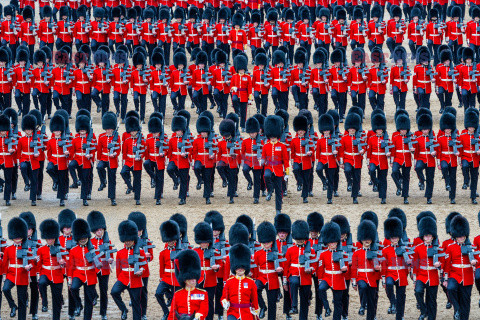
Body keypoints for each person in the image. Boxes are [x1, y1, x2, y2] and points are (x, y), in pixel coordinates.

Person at [111, 220, 146, 320]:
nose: (128, 242)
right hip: (123, 278)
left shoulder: (140, 252)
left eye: (129, 240)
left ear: (133, 239)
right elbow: (118, 268)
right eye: (126, 240)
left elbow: (144, 265)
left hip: (135, 279)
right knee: (114, 292)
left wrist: (141, 271)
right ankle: (124, 309)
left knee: (136, 304)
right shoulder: (120, 252)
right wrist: (119, 280)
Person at [444, 215, 476, 320]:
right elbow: (447, 264)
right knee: (450, 288)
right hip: (455, 274)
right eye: (459, 236)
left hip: (467, 276)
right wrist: (445, 278)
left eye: (463, 236)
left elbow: (478, 260)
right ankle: (456, 308)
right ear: (455, 236)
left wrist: (475, 262)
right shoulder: (451, 247)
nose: (461, 238)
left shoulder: (471, 247)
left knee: (466, 301)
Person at [284, 220, 316, 320]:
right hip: (293, 274)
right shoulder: (290, 249)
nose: (299, 241)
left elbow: (314, 264)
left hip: (306, 277)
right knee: (293, 282)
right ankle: (294, 306)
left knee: (304, 302)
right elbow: (286, 265)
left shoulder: (311, 250)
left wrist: (311, 269)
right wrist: (285, 280)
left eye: (301, 239)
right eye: (298, 239)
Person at [351, 220, 381, 320]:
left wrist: (379, 269)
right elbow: (354, 268)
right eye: (365, 238)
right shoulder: (357, 253)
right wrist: (354, 281)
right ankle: (363, 305)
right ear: (361, 239)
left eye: (368, 238)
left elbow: (380, 266)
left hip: (372, 278)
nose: (367, 240)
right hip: (361, 277)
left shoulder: (375, 252)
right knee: (363, 287)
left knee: (372, 301)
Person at [317, 221, 348, 320]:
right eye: (330, 242)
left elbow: (347, 268)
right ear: (327, 243)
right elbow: (321, 268)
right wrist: (320, 279)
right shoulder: (323, 254)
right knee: (321, 289)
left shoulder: (343, 253)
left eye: (334, 242)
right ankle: (327, 308)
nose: (332, 244)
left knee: (338, 303)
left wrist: (344, 270)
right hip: (327, 277)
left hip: (339, 279)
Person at [68, 219, 98, 320]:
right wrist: (69, 279)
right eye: (81, 238)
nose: (83, 239)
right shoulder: (73, 250)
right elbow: (71, 266)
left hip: (90, 274)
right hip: (78, 274)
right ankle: (79, 304)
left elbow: (98, 262)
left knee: (89, 300)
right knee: (73, 288)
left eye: (84, 237)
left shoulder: (92, 248)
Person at [412, 216, 441, 320]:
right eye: (426, 236)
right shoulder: (418, 248)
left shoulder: (437, 248)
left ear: (433, 237)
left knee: (432, 300)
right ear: (423, 237)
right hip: (421, 275)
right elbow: (415, 264)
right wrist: (414, 278)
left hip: (433, 276)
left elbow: (443, 261)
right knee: (418, 292)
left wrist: (439, 264)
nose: (428, 238)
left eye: (429, 236)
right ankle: (424, 311)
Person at [87, 211, 114, 320]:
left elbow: (111, 255)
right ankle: (94, 297)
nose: (99, 232)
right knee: (91, 288)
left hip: (104, 269)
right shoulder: (90, 241)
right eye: (97, 230)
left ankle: (103, 313)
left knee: (104, 291)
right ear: (94, 231)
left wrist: (111, 260)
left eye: (101, 230)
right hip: (94, 269)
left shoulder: (107, 241)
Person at [221, 243, 259, 320]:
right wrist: (224, 302)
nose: (240, 269)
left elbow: (254, 298)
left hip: (247, 313)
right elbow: (224, 297)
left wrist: (255, 310)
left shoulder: (251, 282)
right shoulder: (229, 282)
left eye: (242, 267)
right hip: (233, 312)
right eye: (238, 267)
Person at [252, 222, 282, 320]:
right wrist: (255, 278)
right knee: (255, 290)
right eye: (264, 243)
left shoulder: (277, 253)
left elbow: (282, 267)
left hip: (273, 278)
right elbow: (256, 268)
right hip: (261, 277)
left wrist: (280, 270)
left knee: (272, 303)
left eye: (268, 242)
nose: (266, 245)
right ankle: (263, 306)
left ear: (272, 242)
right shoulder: (258, 254)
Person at [37, 219, 66, 320]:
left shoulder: (61, 249)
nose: (50, 240)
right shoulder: (41, 249)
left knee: (56, 300)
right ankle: (44, 301)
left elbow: (67, 264)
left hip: (57, 275)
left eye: (51, 238)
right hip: (45, 273)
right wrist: (39, 274)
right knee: (41, 283)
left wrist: (63, 263)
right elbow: (39, 264)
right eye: (48, 238)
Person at [169, 249, 209, 320]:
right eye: (191, 278)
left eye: (195, 278)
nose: (194, 280)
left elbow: (204, 310)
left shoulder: (203, 293)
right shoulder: (177, 294)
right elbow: (172, 313)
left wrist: (197, 317)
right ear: (185, 280)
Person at [381, 217, 409, 320]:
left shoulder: (403, 248)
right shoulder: (385, 250)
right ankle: (393, 302)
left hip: (401, 274)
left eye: (396, 238)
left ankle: (400, 316)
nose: (394, 240)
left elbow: (409, 263)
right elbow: (383, 264)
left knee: (401, 296)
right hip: (390, 273)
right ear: (389, 238)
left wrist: (409, 264)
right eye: (392, 238)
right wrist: (383, 277)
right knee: (388, 285)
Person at [3, 217, 30, 320]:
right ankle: (13, 306)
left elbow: (31, 262)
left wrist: (29, 267)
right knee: (5, 289)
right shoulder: (8, 249)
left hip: (22, 275)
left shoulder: (26, 248)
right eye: (16, 237)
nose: (18, 239)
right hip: (11, 274)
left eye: (19, 237)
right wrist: (5, 275)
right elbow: (5, 263)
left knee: (22, 300)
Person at [262, 115, 290, 214]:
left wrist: (287, 173)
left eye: (274, 136)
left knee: (279, 191)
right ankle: (269, 190)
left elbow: (286, 160)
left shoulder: (282, 146)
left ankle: (278, 209)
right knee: (266, 176)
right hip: (269, 167)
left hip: (278, 169)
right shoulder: (266, 146)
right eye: (271, 136)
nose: (273, 138)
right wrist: (262, 160)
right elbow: (263, 157)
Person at [193, 222, 220, 320]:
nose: (204, 244)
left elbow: (220, 263)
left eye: (206, 242)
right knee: (197, 301)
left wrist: (217, 267)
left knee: (209, 302)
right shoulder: (195, 251)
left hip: (210, 281)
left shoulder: (214, 251)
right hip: (199, 280)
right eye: (202, 242)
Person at [156, 220, 182, 320]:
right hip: (166, 278)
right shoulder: (163, 253)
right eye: (169, 240)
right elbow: (161, 267)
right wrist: (161, 277)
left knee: (177, 300)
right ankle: (166, 312)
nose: (171, 242)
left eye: (172, 240)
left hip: (177, 279)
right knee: (158, 293)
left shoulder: (180, 250)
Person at [46, 114, 71, 206]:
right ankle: (55, 180)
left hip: (62, 161)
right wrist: (50, 161)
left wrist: (67, 154)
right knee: (49, 169)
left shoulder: (66, 140)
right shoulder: (50, 141)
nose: (57, 132)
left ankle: (61, 199)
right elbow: (49, 152)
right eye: (55, 131)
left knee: (62, 179)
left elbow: (70, 151)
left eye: (58, 131)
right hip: (53, 160)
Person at [70, 115, 95, 206]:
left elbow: (94, 149)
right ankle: (76, 181)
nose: (82, 132)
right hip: (77, 159)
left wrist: (91, 155)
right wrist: (69, 158)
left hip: (86, 161)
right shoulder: (75, 139)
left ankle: (84, 199)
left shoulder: (90, 138)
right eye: (81, 130)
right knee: (71, 165)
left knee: (85, 180)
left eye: (84, 130)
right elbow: (72, 151)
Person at [166, 115, 191, 205]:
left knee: (184, 180)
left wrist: (186, 154)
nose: (178, 132)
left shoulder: (187, 139)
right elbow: (170, 151)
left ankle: (182, 198)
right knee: (169, 169)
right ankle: (176, 180)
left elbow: (191, 150)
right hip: (174, 159)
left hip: (183, 161)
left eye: (179, 130)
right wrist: (168, 160)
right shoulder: (172, 139)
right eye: (176, 130)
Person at [120, 116, 145, 205]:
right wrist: (124, 162)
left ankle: (137, 198)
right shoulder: (127, 140)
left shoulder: (141, 140)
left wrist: (140, 157)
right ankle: (130, 186)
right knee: (123, 172)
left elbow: (144, 151)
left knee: (137, 181)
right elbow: (124, 152)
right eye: (132, 131)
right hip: (129, 161)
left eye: (135, 131)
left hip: (137, 162)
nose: (133, 132)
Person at [367, 113, 390, 204]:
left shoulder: (386, 138)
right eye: (378, 129)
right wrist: (368, 162)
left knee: (383, 178)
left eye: (380, 129)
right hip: (373, 159)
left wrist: (389, 153)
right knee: (372, 171)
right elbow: (369, 151)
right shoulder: (371, 138)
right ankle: (375, 182)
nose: (379, 130)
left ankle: (383, 197)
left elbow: (391, 148)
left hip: (383, 160)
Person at [291, 115, 314, 203]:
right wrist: (292, 161)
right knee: (295, 170)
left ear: (305, 131)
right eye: (299, 130)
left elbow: (312, 150)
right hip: (297, 159)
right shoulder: (294, 140)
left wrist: (310, 153)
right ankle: (299, 182)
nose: (301, 132)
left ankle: (305, 197)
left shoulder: (309, 139)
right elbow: (292, 152)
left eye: (302, 130)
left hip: (306, 160)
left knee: (306, 179)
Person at [437, 112, 459, 203]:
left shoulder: (455, 137)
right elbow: (438, 151)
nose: (447, 130)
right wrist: (438, 162)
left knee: (453, 178)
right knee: (444, 167)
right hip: (443, 157)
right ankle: (446, 181)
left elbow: (460, 146)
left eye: (449, 129)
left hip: (453, 159)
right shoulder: (441, 137)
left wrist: (458, 153)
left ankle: (452, 197)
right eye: (446, 129)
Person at [459, 107, 480, 204]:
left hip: (475, 158)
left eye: (473, 127)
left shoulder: (478, 137)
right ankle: (466, 180)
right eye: (470, 127)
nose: (471, 128)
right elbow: (460, 147)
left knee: (475, 177)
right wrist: (459, 157)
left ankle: (473, 197)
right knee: (465, 166)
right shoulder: (463, 135)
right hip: (465, 156)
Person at [217, 119, 240, 204]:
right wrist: (218, 161)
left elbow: (238, 153)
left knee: (232, 179)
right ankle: (224, 179)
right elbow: (219, 154)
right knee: (219, 167)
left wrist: (237, 161)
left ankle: (231, 197)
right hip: (223, 160)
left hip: (232, 162)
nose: (226, 136)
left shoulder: (235, 142)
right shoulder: (221, 143)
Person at [241, 117, 264, 204]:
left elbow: (263, 151)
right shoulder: (245, 141)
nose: (252, 134)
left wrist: (261, 158)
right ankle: (250, 181)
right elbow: (243, 152)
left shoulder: (261, 141)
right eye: (250, 133)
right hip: (248, 161)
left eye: (253, 133)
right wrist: (243, 162)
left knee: (257, 180)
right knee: (245, 170)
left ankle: (256, 197)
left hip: (257, 162)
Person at [0, 115, 16, 206]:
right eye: (1, 131)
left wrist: (12, 150)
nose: (2, 132)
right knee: (5, 180)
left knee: (8, 180)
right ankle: (1, 182)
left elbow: (15, 147)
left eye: (4, 131)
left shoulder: (10, 137)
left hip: (8, 160)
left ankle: (7, 199)